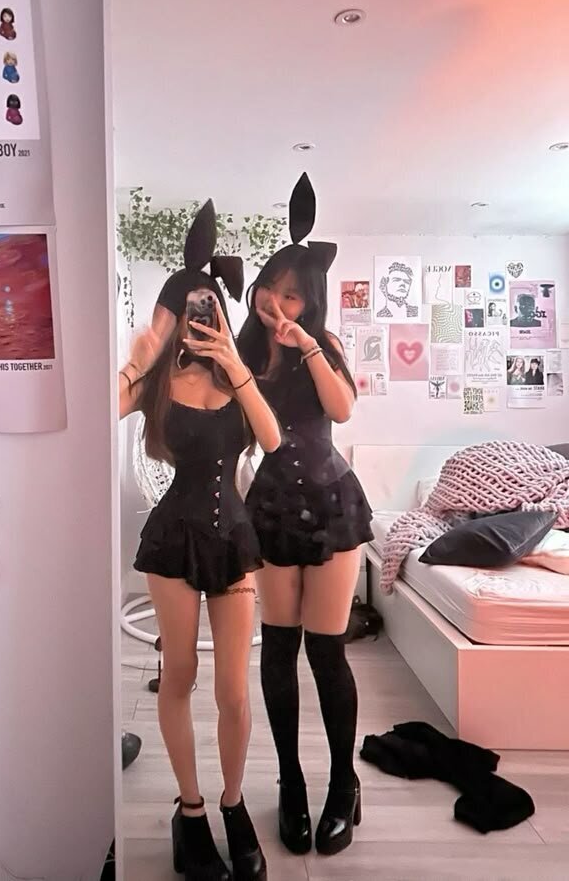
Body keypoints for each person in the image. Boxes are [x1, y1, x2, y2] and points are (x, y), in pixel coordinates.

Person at [119, 201, 280, 881]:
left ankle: (233, 803)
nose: (197, 319)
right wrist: (144, 352)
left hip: (233, 537)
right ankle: (190, 812)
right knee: (180, 673)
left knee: (234, 690)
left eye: (205, 306)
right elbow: (101, 408)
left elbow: (272, 439)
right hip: (173, 539)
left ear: (219, 309)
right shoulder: (157, 383)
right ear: (172, 314)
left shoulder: (239, 377)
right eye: (184, 309)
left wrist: (233, 363)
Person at [238, 172, 374, 858]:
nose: (277, 301)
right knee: (278, 649)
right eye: (271, 287)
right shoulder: (242, 351)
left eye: (292, 294)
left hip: (331, 507)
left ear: (310, 299)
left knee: (326, 650)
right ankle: (290, 782)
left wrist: (309, 344)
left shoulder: (324, 345)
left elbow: (343, 410)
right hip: (269, 510)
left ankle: (343, 783)